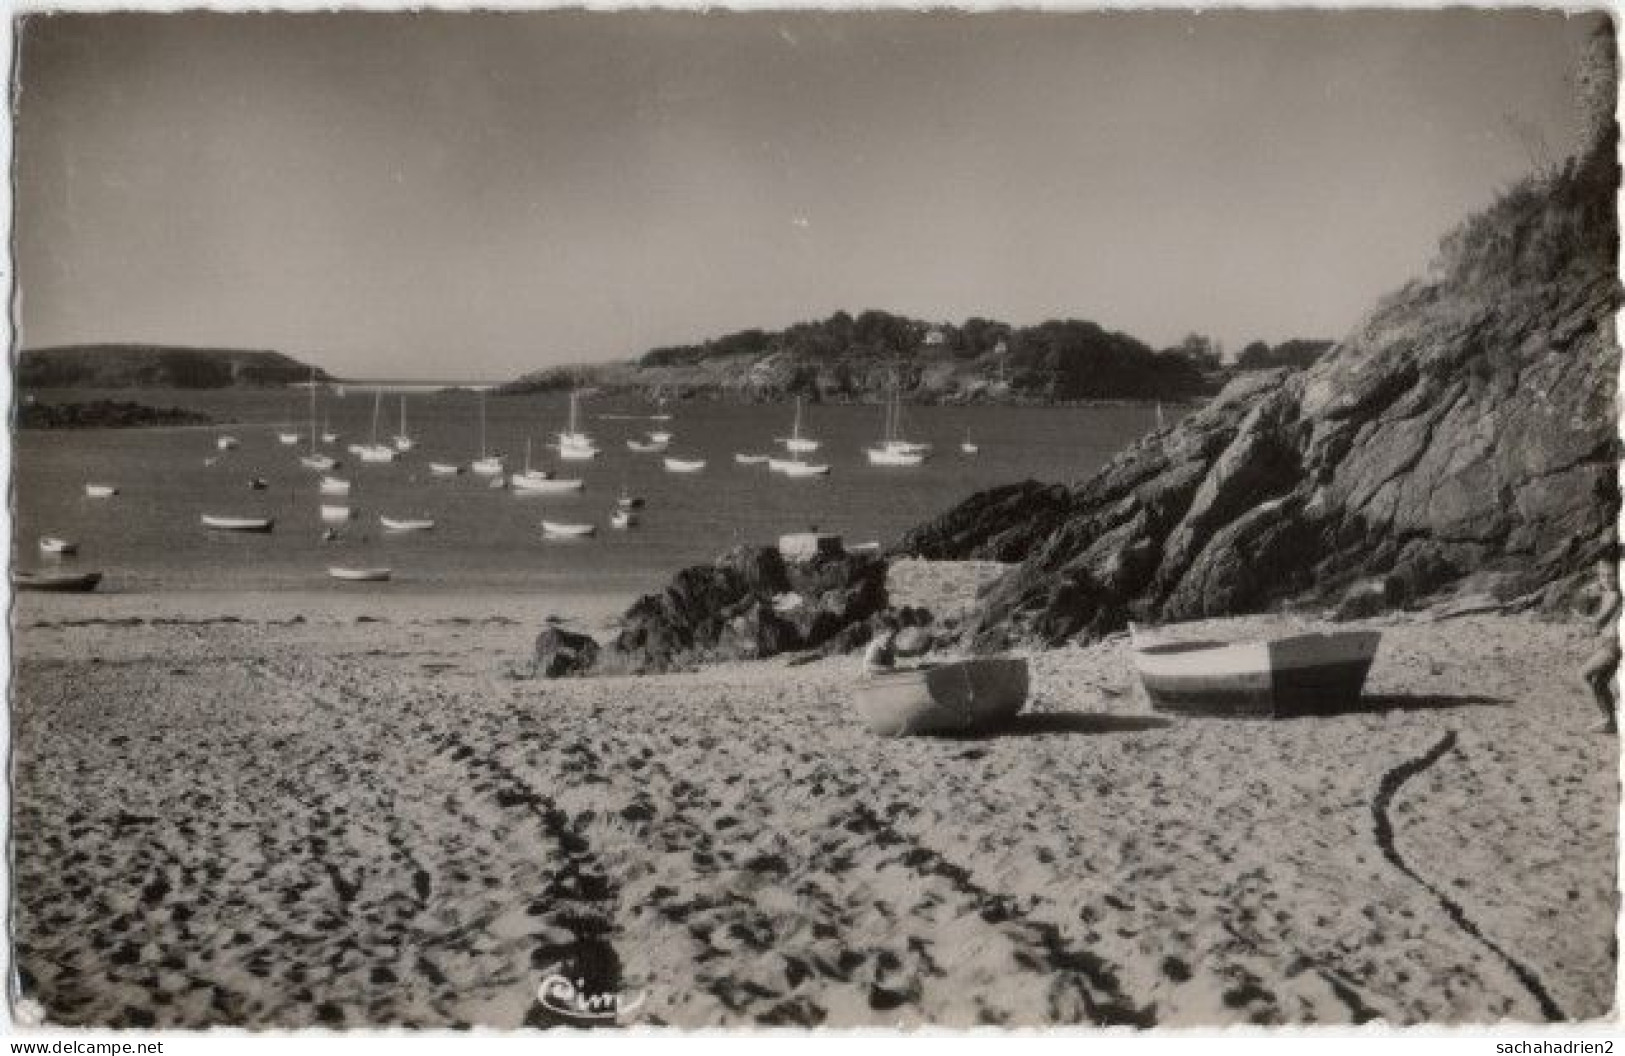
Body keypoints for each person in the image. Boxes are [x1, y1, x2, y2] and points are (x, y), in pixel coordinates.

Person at [1581, 552, 1621, 734]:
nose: (1606, 579)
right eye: (1602, 575)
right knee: (1599, 683)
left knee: (1585, 674)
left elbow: (1600, 621)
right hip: (1610, 644)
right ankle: (1610, 720)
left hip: (1613, 646)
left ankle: (1608, 718)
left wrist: (1586, 620)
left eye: (1611, 575)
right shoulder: (1608, 592)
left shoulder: (1615, 595)